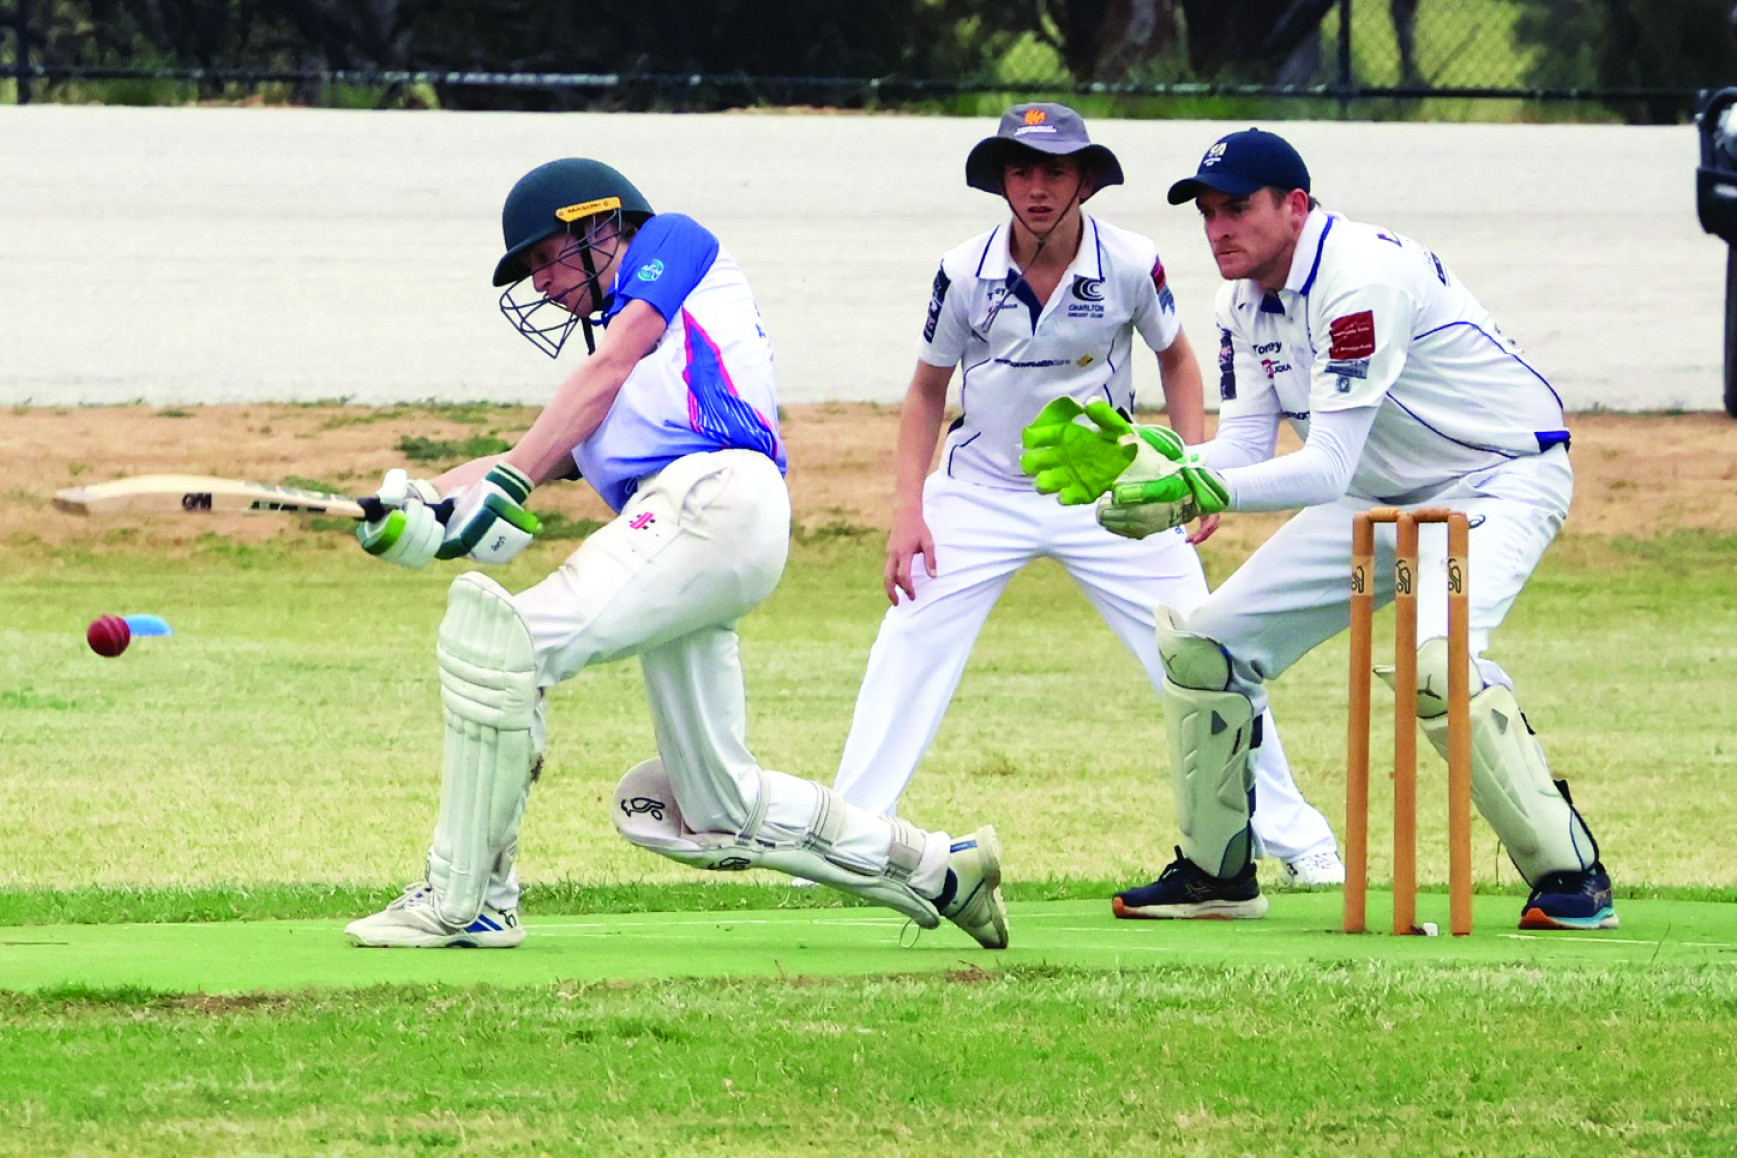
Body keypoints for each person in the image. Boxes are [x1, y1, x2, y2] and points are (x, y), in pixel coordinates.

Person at [343, 157, 1008, 950]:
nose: (542, 285)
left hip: (713, 498)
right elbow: (516, 458)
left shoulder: (672, 245)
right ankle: (940, 869)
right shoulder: (617, 388)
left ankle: (469, 899)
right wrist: (415, 500)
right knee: (717, 809)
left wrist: (513, 478)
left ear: (600, 225)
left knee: (504, 646)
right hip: (695, 534)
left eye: (545, 258)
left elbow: (599, 374)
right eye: (528, 273)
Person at [1021, 128, 1617, 929]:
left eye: (1236, 208)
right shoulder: (1238, 301)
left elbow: (1323, 464)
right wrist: (1148, 461)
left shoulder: (1361, 279)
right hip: (1372, 492)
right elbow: (1242, 450)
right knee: (1204, 649)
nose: (1217, 229)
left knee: (1435, 668)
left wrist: (1196, 486)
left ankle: (1571, 875)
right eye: (1206, 213)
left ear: (1294, 207)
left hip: (1495, 478)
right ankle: (1216, 877)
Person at [828, 103, 1343, 888]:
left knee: (1200, 649)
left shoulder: (1132, 261)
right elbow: (926, 391)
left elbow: (1177, 361)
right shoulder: (962, 269)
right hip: (977, 493)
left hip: (1107, 495)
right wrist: (909, 512)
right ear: (1001, 180)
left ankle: (1295, 837)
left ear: (1084, 181)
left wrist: (1190, 474)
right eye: (1021, 171)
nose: (1037, 189)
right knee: (904, 646)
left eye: (1055, 172)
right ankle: (851, 840)